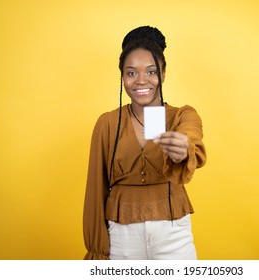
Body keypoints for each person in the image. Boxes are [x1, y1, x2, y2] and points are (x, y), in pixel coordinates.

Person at [83, 26, 206, 260]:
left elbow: (192, 138)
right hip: (121, 237)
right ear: (122, 76)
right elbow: (95, 189)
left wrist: (183, 148)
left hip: (173, 234)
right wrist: (97, 250)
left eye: (151, 72)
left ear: (164, 73)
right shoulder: (107, 123)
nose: (141, 80)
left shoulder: (182, 116)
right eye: (131, 73)